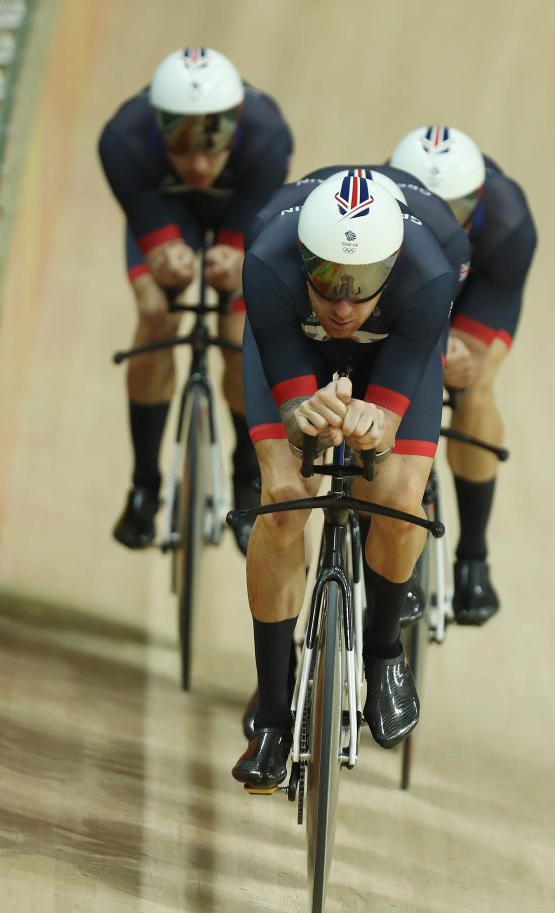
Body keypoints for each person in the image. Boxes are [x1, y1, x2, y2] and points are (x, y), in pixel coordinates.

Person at [231, 174, 458, 790]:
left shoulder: (429, 273)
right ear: (303, 257)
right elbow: (293, 416)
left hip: (396, 352)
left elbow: (387, 424)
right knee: (282, 500)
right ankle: (274, 720)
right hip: (292, 350)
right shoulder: (269, 263)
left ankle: (385, 651)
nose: (341, 304)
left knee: (398, 494)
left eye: (359, 288)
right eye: (327, 278)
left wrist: (375, 423)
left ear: (392, 266)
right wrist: (305, 420)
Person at [98, 47, 293, 554]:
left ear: (236, 126)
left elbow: (247, 233)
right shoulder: (122, 139)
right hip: (166, 208)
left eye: (211, 148)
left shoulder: (269, 137)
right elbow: (148, 225)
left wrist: (232, 256)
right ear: (158, 130)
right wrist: (163, 250)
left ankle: (247, 477)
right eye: (181, 150)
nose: (200, 164)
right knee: (155, 314)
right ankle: (145, 486)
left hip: (242, 212)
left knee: (237, 332)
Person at [390, 126, 537, 624]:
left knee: (471, 383)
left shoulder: (509, 223)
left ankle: (473, 556)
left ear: (476, 204)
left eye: (451, 210)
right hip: (401, 281)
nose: (437, 221)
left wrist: (454, 354)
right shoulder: (377, 205)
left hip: (477, 297)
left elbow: (468, 352)